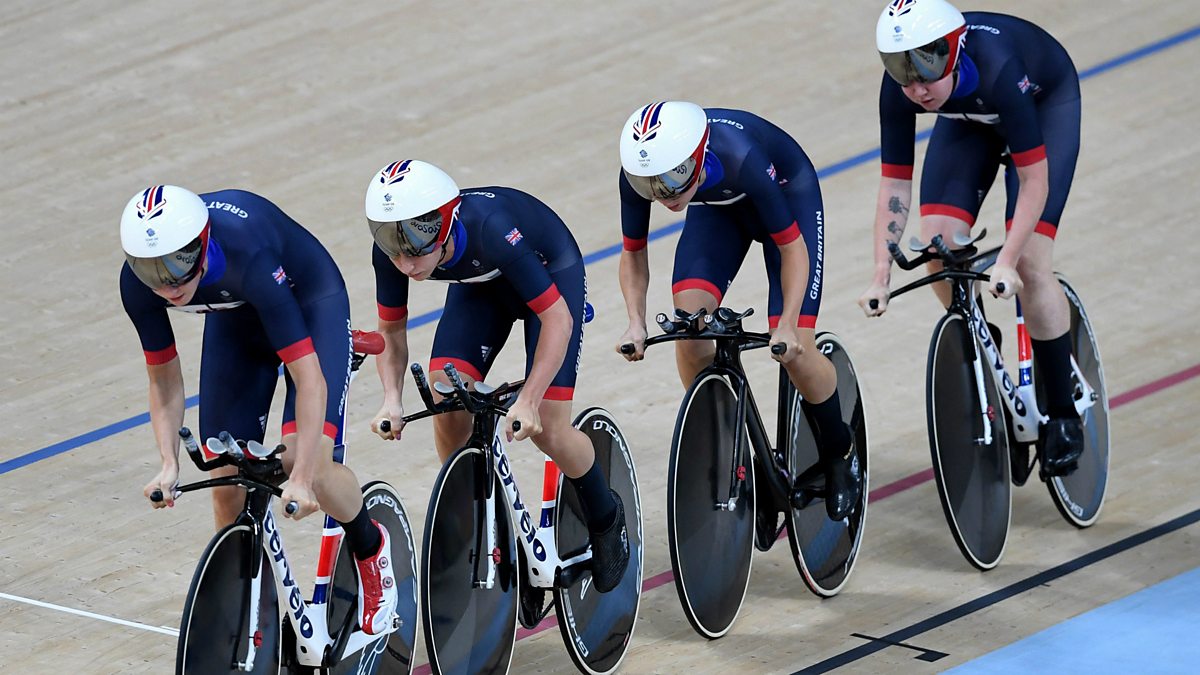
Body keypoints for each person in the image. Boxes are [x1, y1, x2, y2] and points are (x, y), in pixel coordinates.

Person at [120, 185, 398, 635]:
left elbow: (308, 378)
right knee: (225, 475)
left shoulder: (249, 255)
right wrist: (169, 463)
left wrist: (304, 477)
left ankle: (370, 548)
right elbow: (163, 379)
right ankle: (250, 612)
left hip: (306, 302)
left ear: (203, 243)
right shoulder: (138, 282)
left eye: (174, 265)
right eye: (151, 270)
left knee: (306, 461)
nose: (166, 284)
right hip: (236, 314)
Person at [362, 159, 630, 593]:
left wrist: (528, 399)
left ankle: (605, 515)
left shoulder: (490, 227)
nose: (405, 260)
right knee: (446, 400)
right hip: (481, 288)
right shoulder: (394, 251)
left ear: (446, 222)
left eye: (416, 241)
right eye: (392, 242)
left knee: (549, 428)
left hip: (547, 278)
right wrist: (391, 397)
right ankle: (475, 522)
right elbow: (390, 329)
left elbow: (557, 319)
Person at [859, 0, 1083, 476]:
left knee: (1030, 264)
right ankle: (986, 351)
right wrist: (881, 272)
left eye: (927, 69)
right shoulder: (901, 86)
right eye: (902, 71)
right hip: (969, 123)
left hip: (1042, 107)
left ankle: (1063, 413)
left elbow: (1035, 182)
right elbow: (895, 185)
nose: (916, 87)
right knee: (938, 246)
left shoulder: (999, 66)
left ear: (957, 51)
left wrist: (1007, 258)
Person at [614, 101, 862, 527]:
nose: (664, 194)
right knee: (689, 330)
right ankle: (736, 459)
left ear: (697, 156)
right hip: (716, 209)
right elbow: (633, 253)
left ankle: (840, 453)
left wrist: (786, 323)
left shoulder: (740, 155)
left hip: (784, 197)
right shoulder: (647, 174)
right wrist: (635, 320)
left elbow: (791, 249)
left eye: (672, 178)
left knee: (797, 351)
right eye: (650, 184)